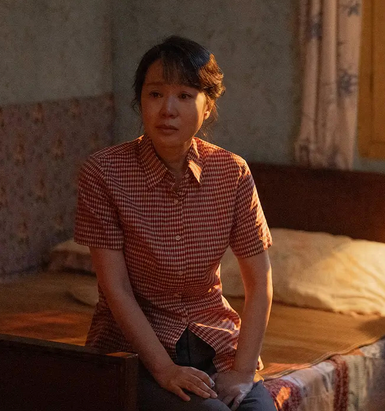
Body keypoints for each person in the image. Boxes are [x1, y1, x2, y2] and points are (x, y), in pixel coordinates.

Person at [74, 35, 276, 411]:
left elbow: (260, 283)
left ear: (207, 105)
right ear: (140, 101)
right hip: (136, 354)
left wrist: (243, 371)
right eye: (155, 94)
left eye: (184, 95)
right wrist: (165, 370)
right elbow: (116, 288)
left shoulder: (231, 172)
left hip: (217, 345)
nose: (167, 109)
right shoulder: (104, 172)